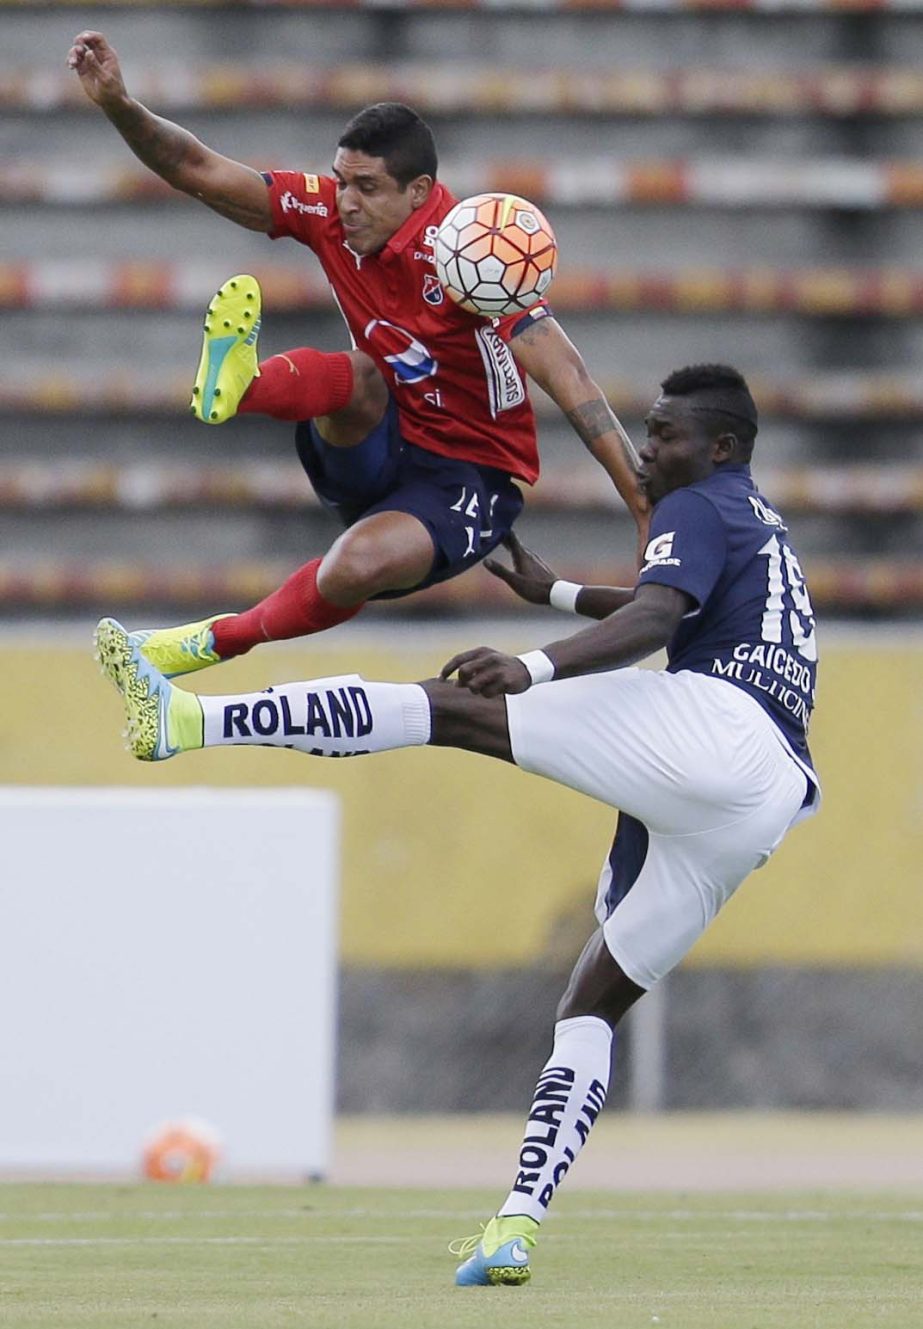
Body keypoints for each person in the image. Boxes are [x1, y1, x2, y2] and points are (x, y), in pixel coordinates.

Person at [96, 363, 821, 1286]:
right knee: (590, 1002)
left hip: (715, 729)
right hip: (758, 800)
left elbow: (653, 615)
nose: (646, 450)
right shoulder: (753, 516)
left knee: (451, 707)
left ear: (717, 445)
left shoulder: (694, 502)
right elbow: (669, 607)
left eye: (663, 433)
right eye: (647, 430)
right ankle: (514, 1227)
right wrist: (553, 594)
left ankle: (191, 719)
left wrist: (534, 664)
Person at [68, 30, 646, 678]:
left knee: (355, 566)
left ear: (419, 191)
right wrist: (119, 103)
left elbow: (567, 374)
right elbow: (199, 169)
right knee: (365, 374)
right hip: (375, 440)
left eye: (366, 187)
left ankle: (206, 642)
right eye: (341, 180)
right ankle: (241, 387)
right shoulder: (330, 213)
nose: (344, 201)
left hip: (465, 477)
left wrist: (642, 505)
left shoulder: (468, 255)